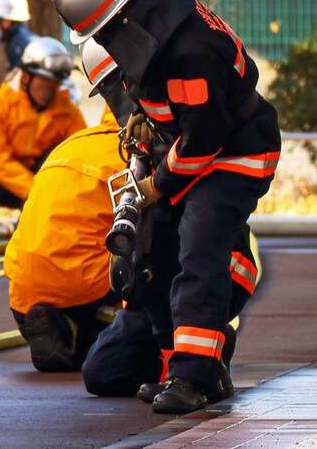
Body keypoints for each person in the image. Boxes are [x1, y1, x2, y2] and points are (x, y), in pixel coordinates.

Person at [53, 0, 280, 414]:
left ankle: (191, 378)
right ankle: (201, 368)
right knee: (163, 248)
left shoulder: (189, 52)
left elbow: (202, 142)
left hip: (237, 151)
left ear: (118, 18)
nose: (101, 44)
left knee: (199, 244)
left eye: (101, 35)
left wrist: (156, 186)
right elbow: (162, 91)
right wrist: (144, 116)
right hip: (205, 142)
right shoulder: (149, 13)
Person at [77, 41, 258, 407]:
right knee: (102, 373)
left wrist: (153, 187)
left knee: (166, 257)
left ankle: (198, 366)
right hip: (156, 291)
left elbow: (178, 241)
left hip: (212, 276)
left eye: (119, 85)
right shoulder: (136, 137)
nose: (120, 99)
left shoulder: (189, 131)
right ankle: (194, 366)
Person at [3, 39, 127, 373]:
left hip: (22, 290)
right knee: (146, 259)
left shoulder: (73, 141)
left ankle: (56, 328)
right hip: (82, 287)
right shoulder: (134, 158)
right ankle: (88, 336)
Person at [0, 37, 86, 241]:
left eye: (54, 84)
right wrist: (34, 190)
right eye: (45, 83)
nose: (50, 91)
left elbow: (79, 155)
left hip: (35, 178)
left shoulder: (68, 112)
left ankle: (33, 226)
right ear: (26, 78)